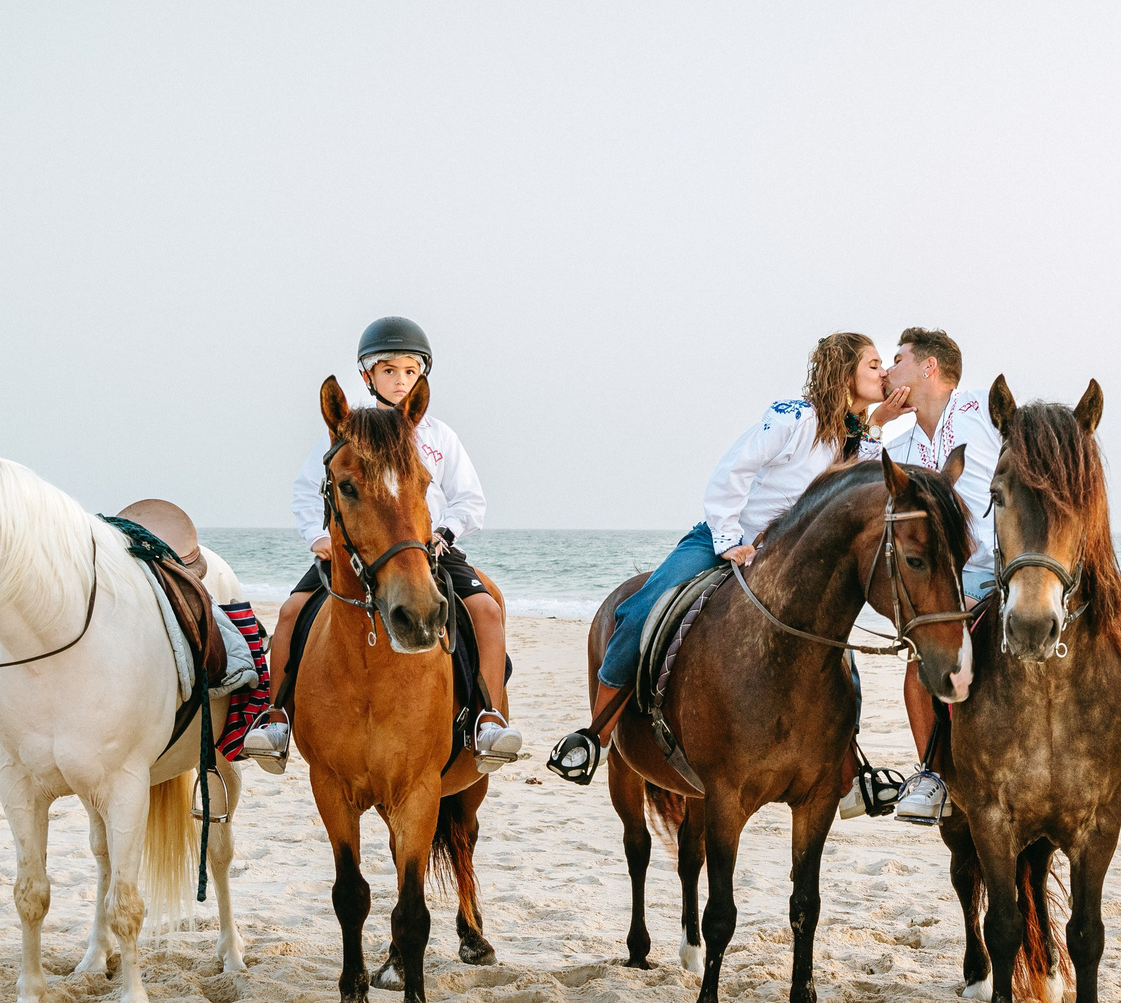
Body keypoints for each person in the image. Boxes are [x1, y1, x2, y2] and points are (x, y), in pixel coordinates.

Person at [872, 329, 1121, 832]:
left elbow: (1046, 449)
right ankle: (932, 774)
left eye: (897, 360)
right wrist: (875, 424)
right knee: (923, 659)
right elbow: (860, 477)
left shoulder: (982, 410)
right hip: (960, 579)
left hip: (1036, 558)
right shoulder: (901, 444)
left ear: (929, 367)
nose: (888, 372)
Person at [547, 332, 886, 785]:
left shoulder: (855, 434)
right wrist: (728, 539)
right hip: (725, 539)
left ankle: (850, 772)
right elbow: (735, 469)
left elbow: (857, 485)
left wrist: (877, 424)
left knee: (830, 644)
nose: (884, 373)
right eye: (874, 365)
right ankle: (596, 736)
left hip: (786, 561)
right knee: (641, 610)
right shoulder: (794, 416)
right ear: (845, 373)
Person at [244, 316, 520, 770]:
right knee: (292, 611)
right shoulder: (349, 432)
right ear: (367, 376)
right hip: (358, 551)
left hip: (427, 548)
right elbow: (307, 489)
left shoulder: (438, 436)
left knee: (486, 611)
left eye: (410, 371)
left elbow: (470, 498)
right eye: (389, 370)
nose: (400, 380)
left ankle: (487, 717)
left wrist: (444, 533)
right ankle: (277, 718)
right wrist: (318, 537)